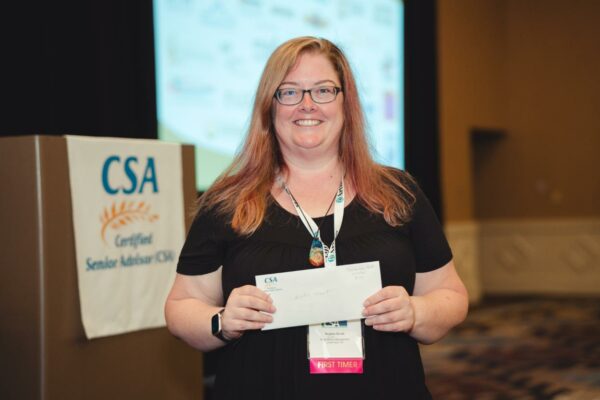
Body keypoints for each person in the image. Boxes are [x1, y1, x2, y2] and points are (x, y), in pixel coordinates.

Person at [165, 36, 468, 399]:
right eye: (289, 92)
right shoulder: (227, 201)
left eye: (323, 90)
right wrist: (221, 322)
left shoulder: (398, 193)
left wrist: (416, 312)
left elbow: (451, 295)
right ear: (269, 106)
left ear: (346, 102)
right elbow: (180, 308)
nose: (307, 104)